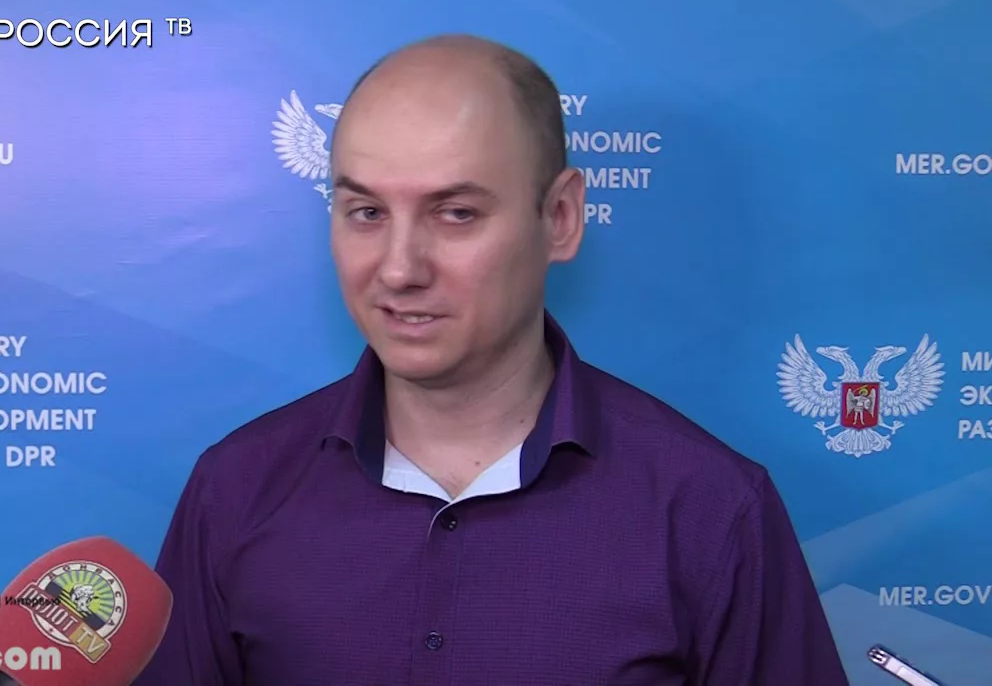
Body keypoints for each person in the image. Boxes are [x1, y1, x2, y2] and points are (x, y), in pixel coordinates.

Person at [135, 34, 848, 685]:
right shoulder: (235, 489)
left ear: (560, 218)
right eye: (367, 213)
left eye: (457, 213)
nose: (399, 270)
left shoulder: (709, 509)